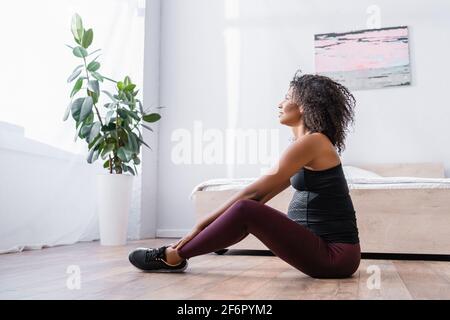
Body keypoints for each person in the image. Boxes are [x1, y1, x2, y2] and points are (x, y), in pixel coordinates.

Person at [128, 70, 360, 278]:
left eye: (288, 97)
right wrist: (220, 226)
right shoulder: (309, 144)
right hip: (326, 251)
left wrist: (201, 224)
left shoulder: (314, 142)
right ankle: (192, 248)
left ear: (305, 105)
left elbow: (253, 194)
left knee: (245, 210)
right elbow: (263, 195)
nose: (280, 103)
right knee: (246, 212)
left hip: (334, 256)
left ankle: (172, 256)